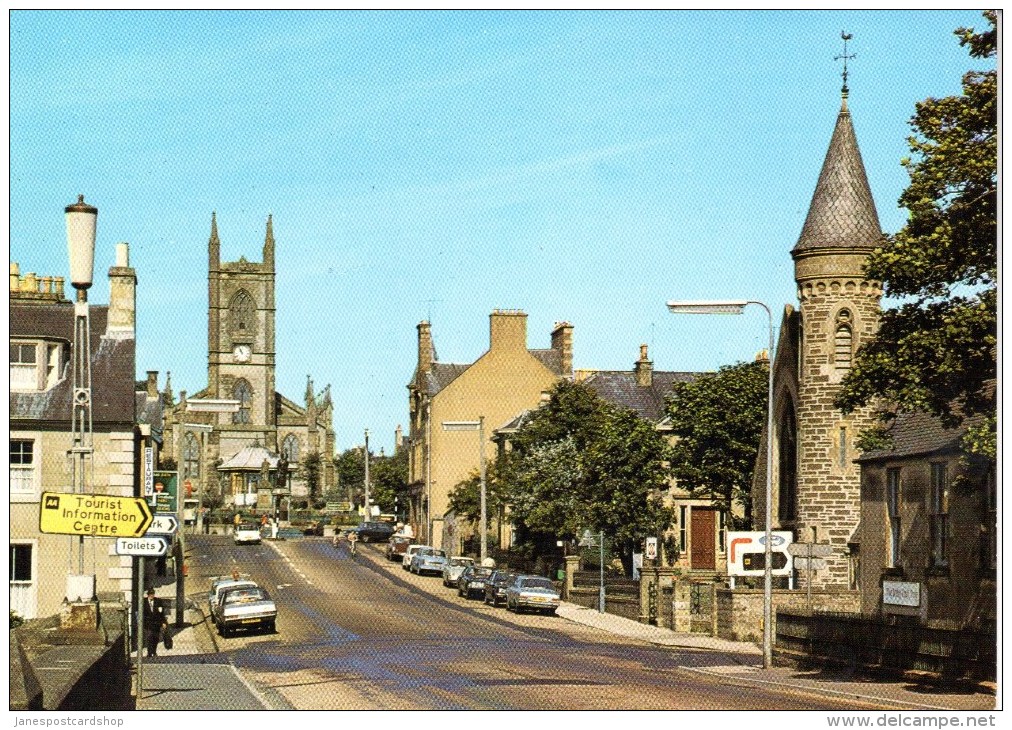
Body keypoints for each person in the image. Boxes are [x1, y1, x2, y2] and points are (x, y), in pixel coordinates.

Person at [142, 587, 167, 658]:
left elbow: (161, 613)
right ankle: (149, 652)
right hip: (148, 623)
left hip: (156, 623)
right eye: (150, 594)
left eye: (152, 594)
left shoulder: (158, 601)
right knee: (149, 637)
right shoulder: (143, 602)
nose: (151, 595)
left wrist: (163, 622)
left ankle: (154, 651)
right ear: (148, 595)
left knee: (156, 638)